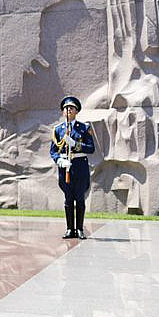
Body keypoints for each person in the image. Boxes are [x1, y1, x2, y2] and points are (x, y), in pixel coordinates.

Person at [50, 96, 95, 240]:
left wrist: (75, 144)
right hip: (65, 169)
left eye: (71, 108)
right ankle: (70, 229)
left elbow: (91, 148)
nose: (68, 110)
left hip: (80, 167)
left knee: (80, 199)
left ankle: (80, 229)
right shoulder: (58, 130)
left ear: (76, 111)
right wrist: (59, 160)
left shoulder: (84, 128)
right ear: (63, 112)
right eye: (66, 108)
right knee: (68, 199)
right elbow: (53, 151)